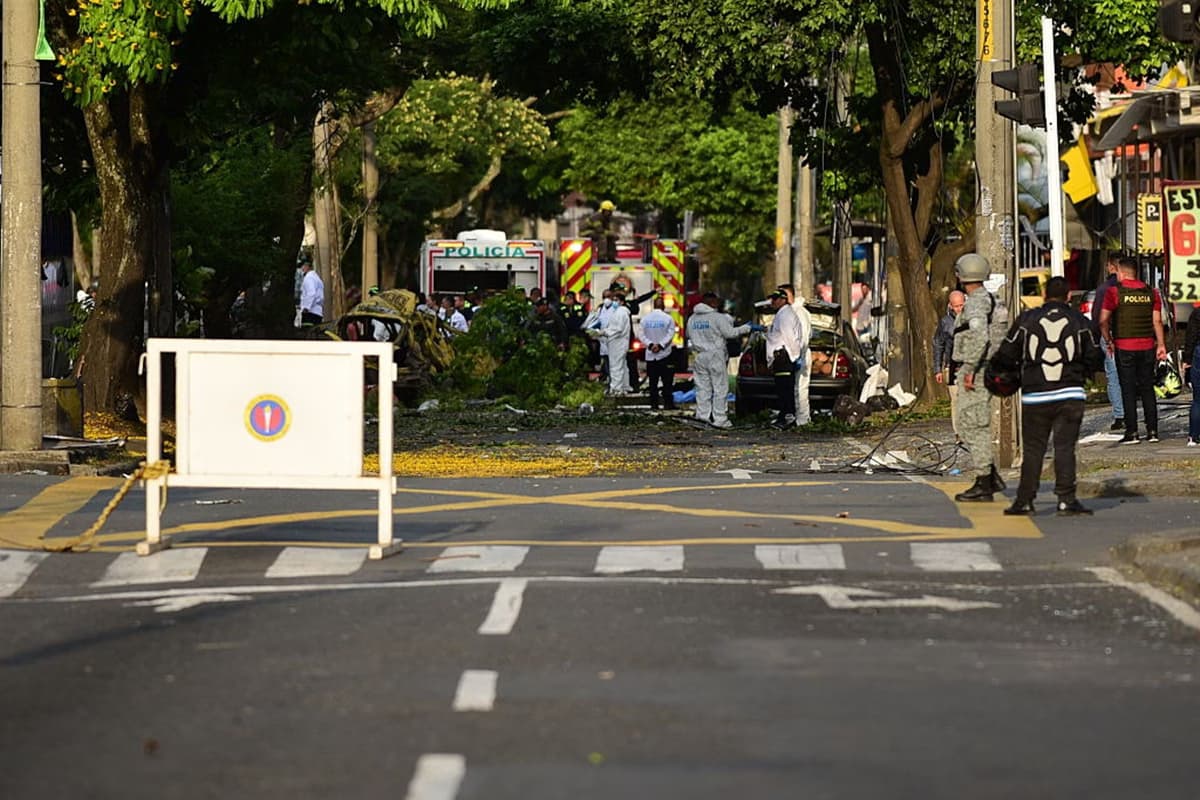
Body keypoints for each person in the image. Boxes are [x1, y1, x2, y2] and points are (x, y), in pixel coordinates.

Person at [993, 277, 1103, 516]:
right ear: (1068, 296)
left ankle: (1024, 500)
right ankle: (1066, 499)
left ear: (1044, 294)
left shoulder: (1026, 320)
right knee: (1065, 448)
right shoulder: (1080, 322)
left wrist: (1011, 377)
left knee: (1033, 450)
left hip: (1036, 395)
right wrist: (1082, 372)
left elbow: (1005, 354)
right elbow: (1096, 357)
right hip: (1070, 394)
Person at [951, 253, 1007, 502]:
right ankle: (990, 476)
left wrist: (971, 369)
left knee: (972, 425)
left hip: (977, 368)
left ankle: (985, 479)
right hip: (985, 366)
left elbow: (980, 336)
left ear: (962, 275)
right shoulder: (991, 299)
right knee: (971, 423)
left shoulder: (975, 302)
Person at [1098, 255, 1168, 444]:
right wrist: (1161, 345)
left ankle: (1132, 432)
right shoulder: (1150, 292)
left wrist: (1108, 340)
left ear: (1121, 272)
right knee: (1147, 388)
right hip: (1147, 346)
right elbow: (1157, 321)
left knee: (1127, 389)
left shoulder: (1114, 292)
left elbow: (1103, 320)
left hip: (1124, 346)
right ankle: (1153, 431)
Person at [686, 291, 760, 429]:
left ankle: (703, 417)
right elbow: (730, 333)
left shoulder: (692, 319)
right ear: (712, 302)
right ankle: (720, 419)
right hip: (715, 355)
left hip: (700, 356)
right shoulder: (717, 317)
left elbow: (688, 335)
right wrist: (747, 328)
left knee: (703, 388)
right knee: (720, 388)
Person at [1091, 255, 1125, 431]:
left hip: (1109, 335)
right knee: (1130, 374)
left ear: (1110, 267)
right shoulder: (1137, 288)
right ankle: (1133, 414)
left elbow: (1098, 318)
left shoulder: (1104, 289)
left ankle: (1120, 416)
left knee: (1114, 376)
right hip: (1131, 336)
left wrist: (1100, 339)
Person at [765, 289, 805, 429]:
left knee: (785, 389)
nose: (773, 302)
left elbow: (790, 338)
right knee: (782, 388)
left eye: (775, 299)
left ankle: (788, 417)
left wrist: (794, 356)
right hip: (781, 357)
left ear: (783, 300)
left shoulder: (785, 315)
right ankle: (784, 415)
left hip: (784, 356)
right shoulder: (781, 314)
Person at [777, 284, 813, 425]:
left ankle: (803, 420)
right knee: (793, 389)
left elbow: (803, 337)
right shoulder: (788, 312)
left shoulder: (800, 313)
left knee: (800, 389)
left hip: (800, 354)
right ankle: (796, 418)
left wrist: (797, 355)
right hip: (791, 355)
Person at [933, 290, 966, 436]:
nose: (959, 309)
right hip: (952, 366)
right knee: (956, 400)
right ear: (950, 306)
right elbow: (938, 345)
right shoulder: (945, 322)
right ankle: (959, 433)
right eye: (956, 306)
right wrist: (938, 369)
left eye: (961, 305)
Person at [641, 295, 678, 410]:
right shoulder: (668, 319)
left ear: (653, 306)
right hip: (665, 354)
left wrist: (651, 345)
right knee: (667, 382)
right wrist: (661, 345)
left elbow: (641, 335)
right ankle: (668, 404)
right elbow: (670, 334)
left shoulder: (645, 319)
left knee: (653, 382)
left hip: (651, 356)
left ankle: (654, 404)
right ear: (663, 306)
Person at [595, 287, 632, 395]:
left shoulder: (620, 313)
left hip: (618, 343)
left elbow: (618, 329)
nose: (613, 302)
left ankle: (616, 389)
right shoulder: (620, 312)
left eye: (616, 300)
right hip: (618, 343)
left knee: (615, 367)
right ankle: (625, 386)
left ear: (622, 301)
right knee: (622, 366)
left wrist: (604, 332)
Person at [1183, 305, 1200, 447]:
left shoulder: (1197, 313)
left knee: (1198, 399)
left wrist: (1187, 360)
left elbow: (1191, 336)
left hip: (1199, 352)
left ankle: (1193, 436)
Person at [299, 259, 324, 326]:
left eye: (303, 266)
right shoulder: (316, 277)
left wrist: (306, 308)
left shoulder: (309, 277)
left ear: (307, 266)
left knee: (308, 333)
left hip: (310, 312)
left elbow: (311, 293)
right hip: (317, 312)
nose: (302, 269)